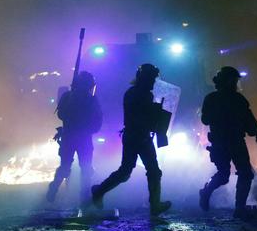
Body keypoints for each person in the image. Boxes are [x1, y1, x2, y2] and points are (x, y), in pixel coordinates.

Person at [91, 64, 171, 216]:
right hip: (138, 136)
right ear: (145, 78)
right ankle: (154, 205)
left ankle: (99, 191)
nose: (154, 82)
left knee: (129, 171)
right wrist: (158, 110)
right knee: (147, 171)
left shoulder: (136, 93)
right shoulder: (139, 94)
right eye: (152, 78)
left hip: (136, 136)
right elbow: (144, 115)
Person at [198, 66, 257, 220]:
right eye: (233, 80)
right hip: (222, 141)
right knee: (224, 175)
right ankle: (206, 192)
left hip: (234, 141)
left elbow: (248, 118)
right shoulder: (213, 98)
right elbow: (205, 119)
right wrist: (256, 132)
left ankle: (239, 209)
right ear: (227, 81)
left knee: (245, 173)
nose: (235, 84)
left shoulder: (235, 99)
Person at [47, 71, 102, 204]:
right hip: (74, 136)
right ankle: (54, 189)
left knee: (82, 168)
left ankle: (82, 196)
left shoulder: (82, 98)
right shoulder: (73, 97)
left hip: (76, 137)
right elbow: (62, 115)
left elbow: (97, 119)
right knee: (75, 167)